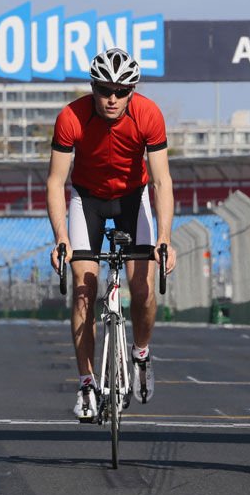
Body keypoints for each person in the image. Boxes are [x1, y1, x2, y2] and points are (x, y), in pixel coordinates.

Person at [47, 47, 177, 422]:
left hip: (131, 200)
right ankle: (87, 383)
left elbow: (162, 180)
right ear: (93, 87)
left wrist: (165, 235)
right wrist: (61, 237)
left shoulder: (149, 115)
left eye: (122, 91)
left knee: (143, 289)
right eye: (105, 90)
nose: (113, 99)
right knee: (84, 287)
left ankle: (140, 353)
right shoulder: (71, 116)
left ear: (133, 91)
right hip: (86, 199)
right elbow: (56, 182)